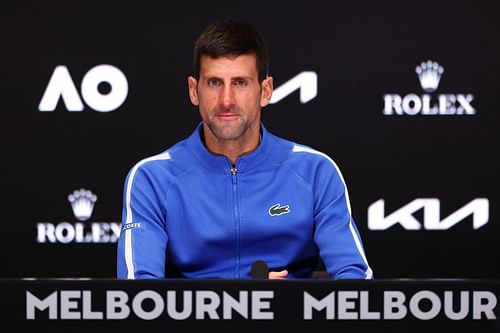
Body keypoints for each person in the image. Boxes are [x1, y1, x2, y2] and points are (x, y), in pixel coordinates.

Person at [116, 18, 373, 280]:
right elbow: (139, 296)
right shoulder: (152, 178)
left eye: (240, 83)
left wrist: (290, 306)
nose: (226, 100)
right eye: (215, 83)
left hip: (289, 320)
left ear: (265, 90)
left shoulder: (315, 171)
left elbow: (355, 279)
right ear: (194, 91)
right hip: (191, 321)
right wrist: (245, 299)